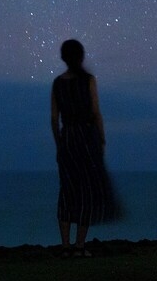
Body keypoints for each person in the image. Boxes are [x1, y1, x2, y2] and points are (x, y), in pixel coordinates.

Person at [50, 39, 121, 257]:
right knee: (87, 190)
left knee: (67, 189)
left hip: (68, 138)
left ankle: (66, 246)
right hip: (86, 137)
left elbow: (54, 118)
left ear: (63, 57)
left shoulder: (58, 83)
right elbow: (96, 112)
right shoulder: (88, 80)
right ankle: (80, 246)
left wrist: (59, 144)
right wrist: (102, 139)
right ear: (81, 57)